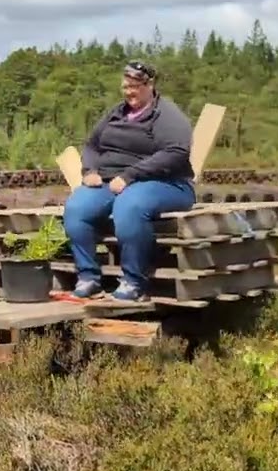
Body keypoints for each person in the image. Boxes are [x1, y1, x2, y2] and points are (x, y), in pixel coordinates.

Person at [63, 60, 195, 302]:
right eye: (125, 87)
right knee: (76, 207)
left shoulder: (166, 115)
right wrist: (89, 170)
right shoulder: (116, 113)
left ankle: (134, 281)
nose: (129, 92)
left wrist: (130, 175)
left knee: (129, 206)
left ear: (150, 85)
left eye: (135, 86)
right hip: (111, 182)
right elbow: (93, 145)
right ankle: (89, 277)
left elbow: (176, 151)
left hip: (166, 183)